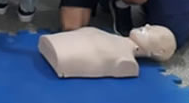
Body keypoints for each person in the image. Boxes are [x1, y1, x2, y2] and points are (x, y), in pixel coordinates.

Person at [38, 25, 177, 78]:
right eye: (151, 25)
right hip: (53, 44)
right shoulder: (113, 38)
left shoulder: (127, 63)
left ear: (158, 52)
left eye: (153, 31)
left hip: (60, 57)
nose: (147, 25)